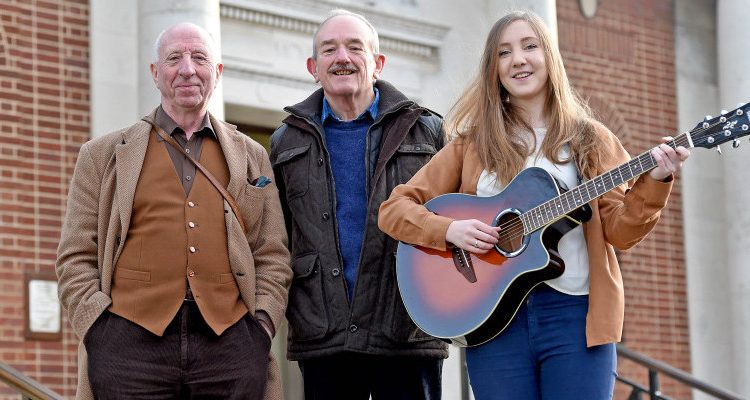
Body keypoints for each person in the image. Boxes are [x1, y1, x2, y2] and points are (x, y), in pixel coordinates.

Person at [378, 10, 690, 400]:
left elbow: (621, 232)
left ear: (549, 57)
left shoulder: (590, 139)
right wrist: (449, 230)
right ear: (494, 69)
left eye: (530, 46)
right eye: (504, 52)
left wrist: (656, 180)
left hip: (575, 317)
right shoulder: (472, 144)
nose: (518, 60)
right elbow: (394, 209)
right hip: (494, 322)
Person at [56, 22, 291, 400]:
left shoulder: (252, 155)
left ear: (217, 72)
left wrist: (260, 327)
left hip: (230, 346)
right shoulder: (101, 155)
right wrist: (97, 329)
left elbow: (272, 253)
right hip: (128, 346)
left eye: (199, 58)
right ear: (155, 72)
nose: (187, 69)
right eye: (174, 58)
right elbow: (75, 255)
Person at [270, 9, 447, 400]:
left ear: (378, 63)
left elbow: (456, 215)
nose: (342, 58)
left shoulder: (427, 130)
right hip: (325, 333)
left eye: (354, 47)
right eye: (329, 49)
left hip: (404, 326)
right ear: (313, 67)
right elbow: (278, 238)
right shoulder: (285, 142)